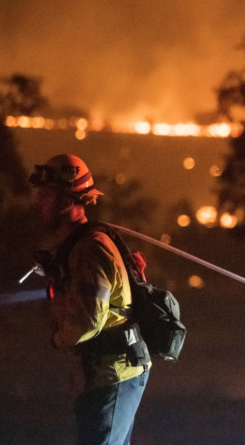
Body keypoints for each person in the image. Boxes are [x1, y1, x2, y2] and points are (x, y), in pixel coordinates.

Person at [30, 154, 151, 445]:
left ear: (69, 201)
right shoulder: (77, 246)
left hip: (112, 374)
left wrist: (57, 338)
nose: (39, 202)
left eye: (47, 195)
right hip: (103, 374)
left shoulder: (89, 248)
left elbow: (87, 322)